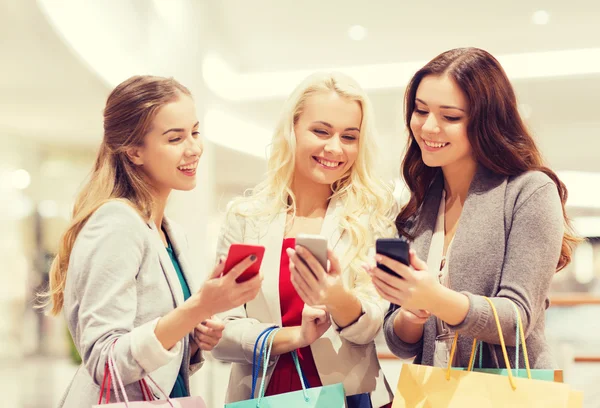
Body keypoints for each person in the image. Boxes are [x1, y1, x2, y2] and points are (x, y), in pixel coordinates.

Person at [43, 76, 262, 407]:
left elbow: (161, 348)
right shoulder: (115, 223)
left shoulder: (170, 233)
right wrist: (198, 307)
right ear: (134, 151)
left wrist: (196, 335)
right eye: (175, 138)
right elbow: (105, 361)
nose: (194, 148)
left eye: (195, 132)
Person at [369, 48, 578, 370]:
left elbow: (516, 321)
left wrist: (434, 297)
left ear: (486, 121)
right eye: (421, 110)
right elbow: (400, 342)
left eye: (450, 117)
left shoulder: (529, 190)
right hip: (436, 389)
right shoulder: (422, 201)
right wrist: (412, 311)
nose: (428, 127)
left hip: (508, 392)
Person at [211, 72, 397, 407]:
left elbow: (373, 327)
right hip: (263, 396)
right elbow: (221, 332)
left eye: (349, 136)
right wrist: (291, 337)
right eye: (321, 131)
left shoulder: (371, 217)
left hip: (350, 397)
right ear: (292, 130)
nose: (335, 148)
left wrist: (337, 299)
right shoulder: (245, 218)